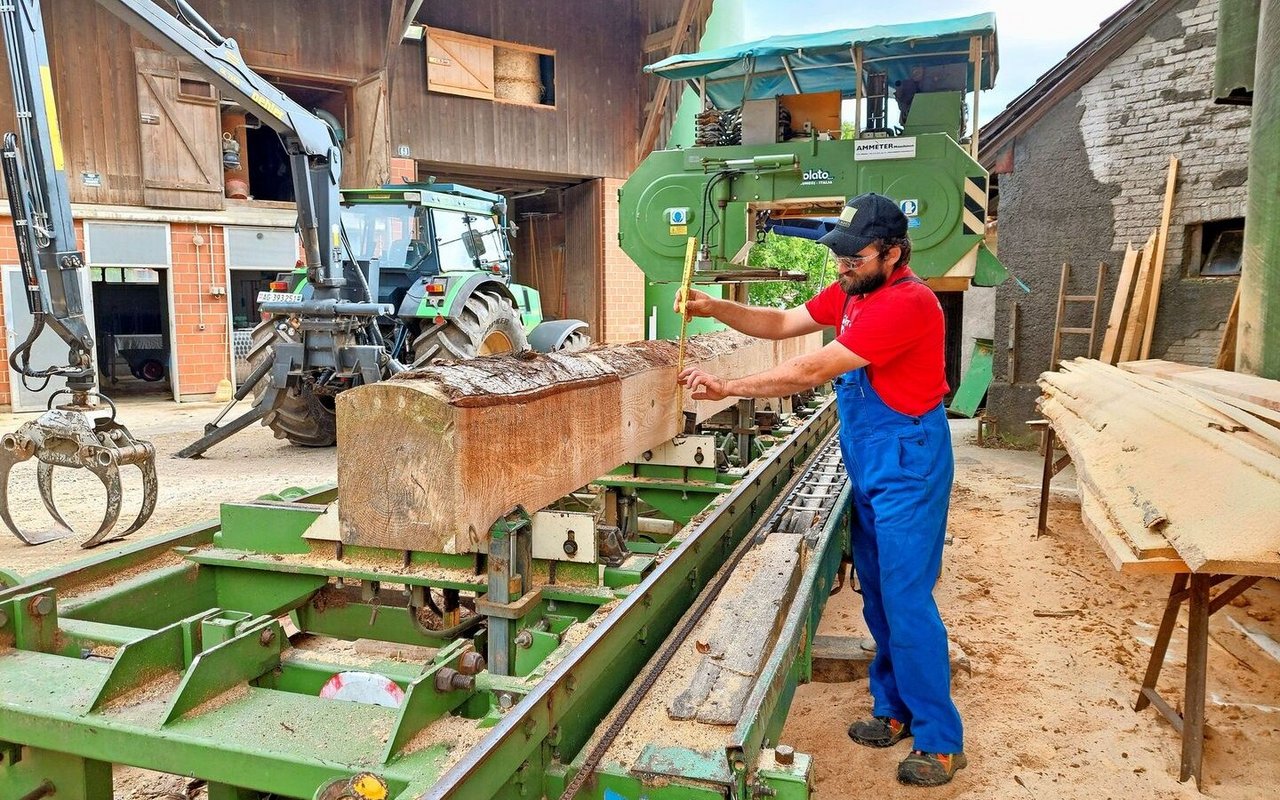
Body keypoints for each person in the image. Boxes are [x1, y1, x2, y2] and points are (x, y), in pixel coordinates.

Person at [676, 192, 965, 787]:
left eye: (853, 257)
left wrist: (728, 385)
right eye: (839, 256)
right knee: (878, 597)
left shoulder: (907, 304)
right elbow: (782, 323)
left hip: (907, 462)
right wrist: (713, 306)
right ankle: (893, 710)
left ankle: (939, 739)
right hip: (869, 457)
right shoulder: (855, 292)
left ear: (892, 252)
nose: (841, 266)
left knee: (908, 601)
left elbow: (810, 370)